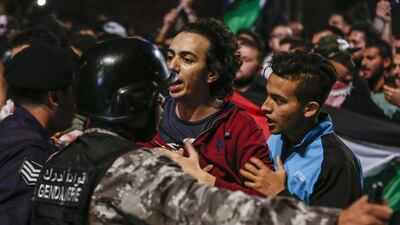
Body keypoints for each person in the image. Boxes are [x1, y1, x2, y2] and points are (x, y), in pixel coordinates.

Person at [30, 37, 393, 225]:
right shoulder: (132, 170)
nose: (163, 106)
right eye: (157, 98)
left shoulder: (59, 155)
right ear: (133, 102)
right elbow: (229, 213)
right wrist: (336, 221)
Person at [145, 18, 273, 196]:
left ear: (212, 73)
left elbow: (265, 197)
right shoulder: (150, 113)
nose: (172, 67)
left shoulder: (240, 127)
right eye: (170, 56)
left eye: (187, 59)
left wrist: (205, 180)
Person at [239, 51, 363, 208]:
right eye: (268, 96)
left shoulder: (337, 164)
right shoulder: (276, 138)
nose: (265, 107)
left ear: (310, 109)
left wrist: (279, 193)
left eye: (279, 100)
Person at [0, 43, 75, 225]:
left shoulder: (8, 129)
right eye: (73, 92)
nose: (75, 103)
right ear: (55, 97)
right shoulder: (33, 153)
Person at [314, 35, 388, 120]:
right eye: (344, 60)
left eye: (351, 58)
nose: (352, 64)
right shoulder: (308, 91)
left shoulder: (357, 89)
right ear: (326, 62)